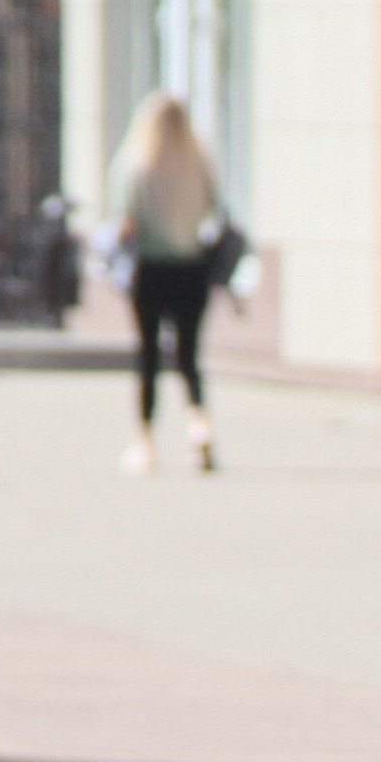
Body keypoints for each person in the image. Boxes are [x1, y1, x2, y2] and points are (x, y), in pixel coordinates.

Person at [107, 92, 224, 477]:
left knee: (149, 356)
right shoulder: (199, 161)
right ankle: (198, 426)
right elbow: (214, 211)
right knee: (189, 357)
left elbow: (124, 221)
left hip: (151, 269)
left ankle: (145, 442)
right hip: (192, 268)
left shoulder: (135, 163)